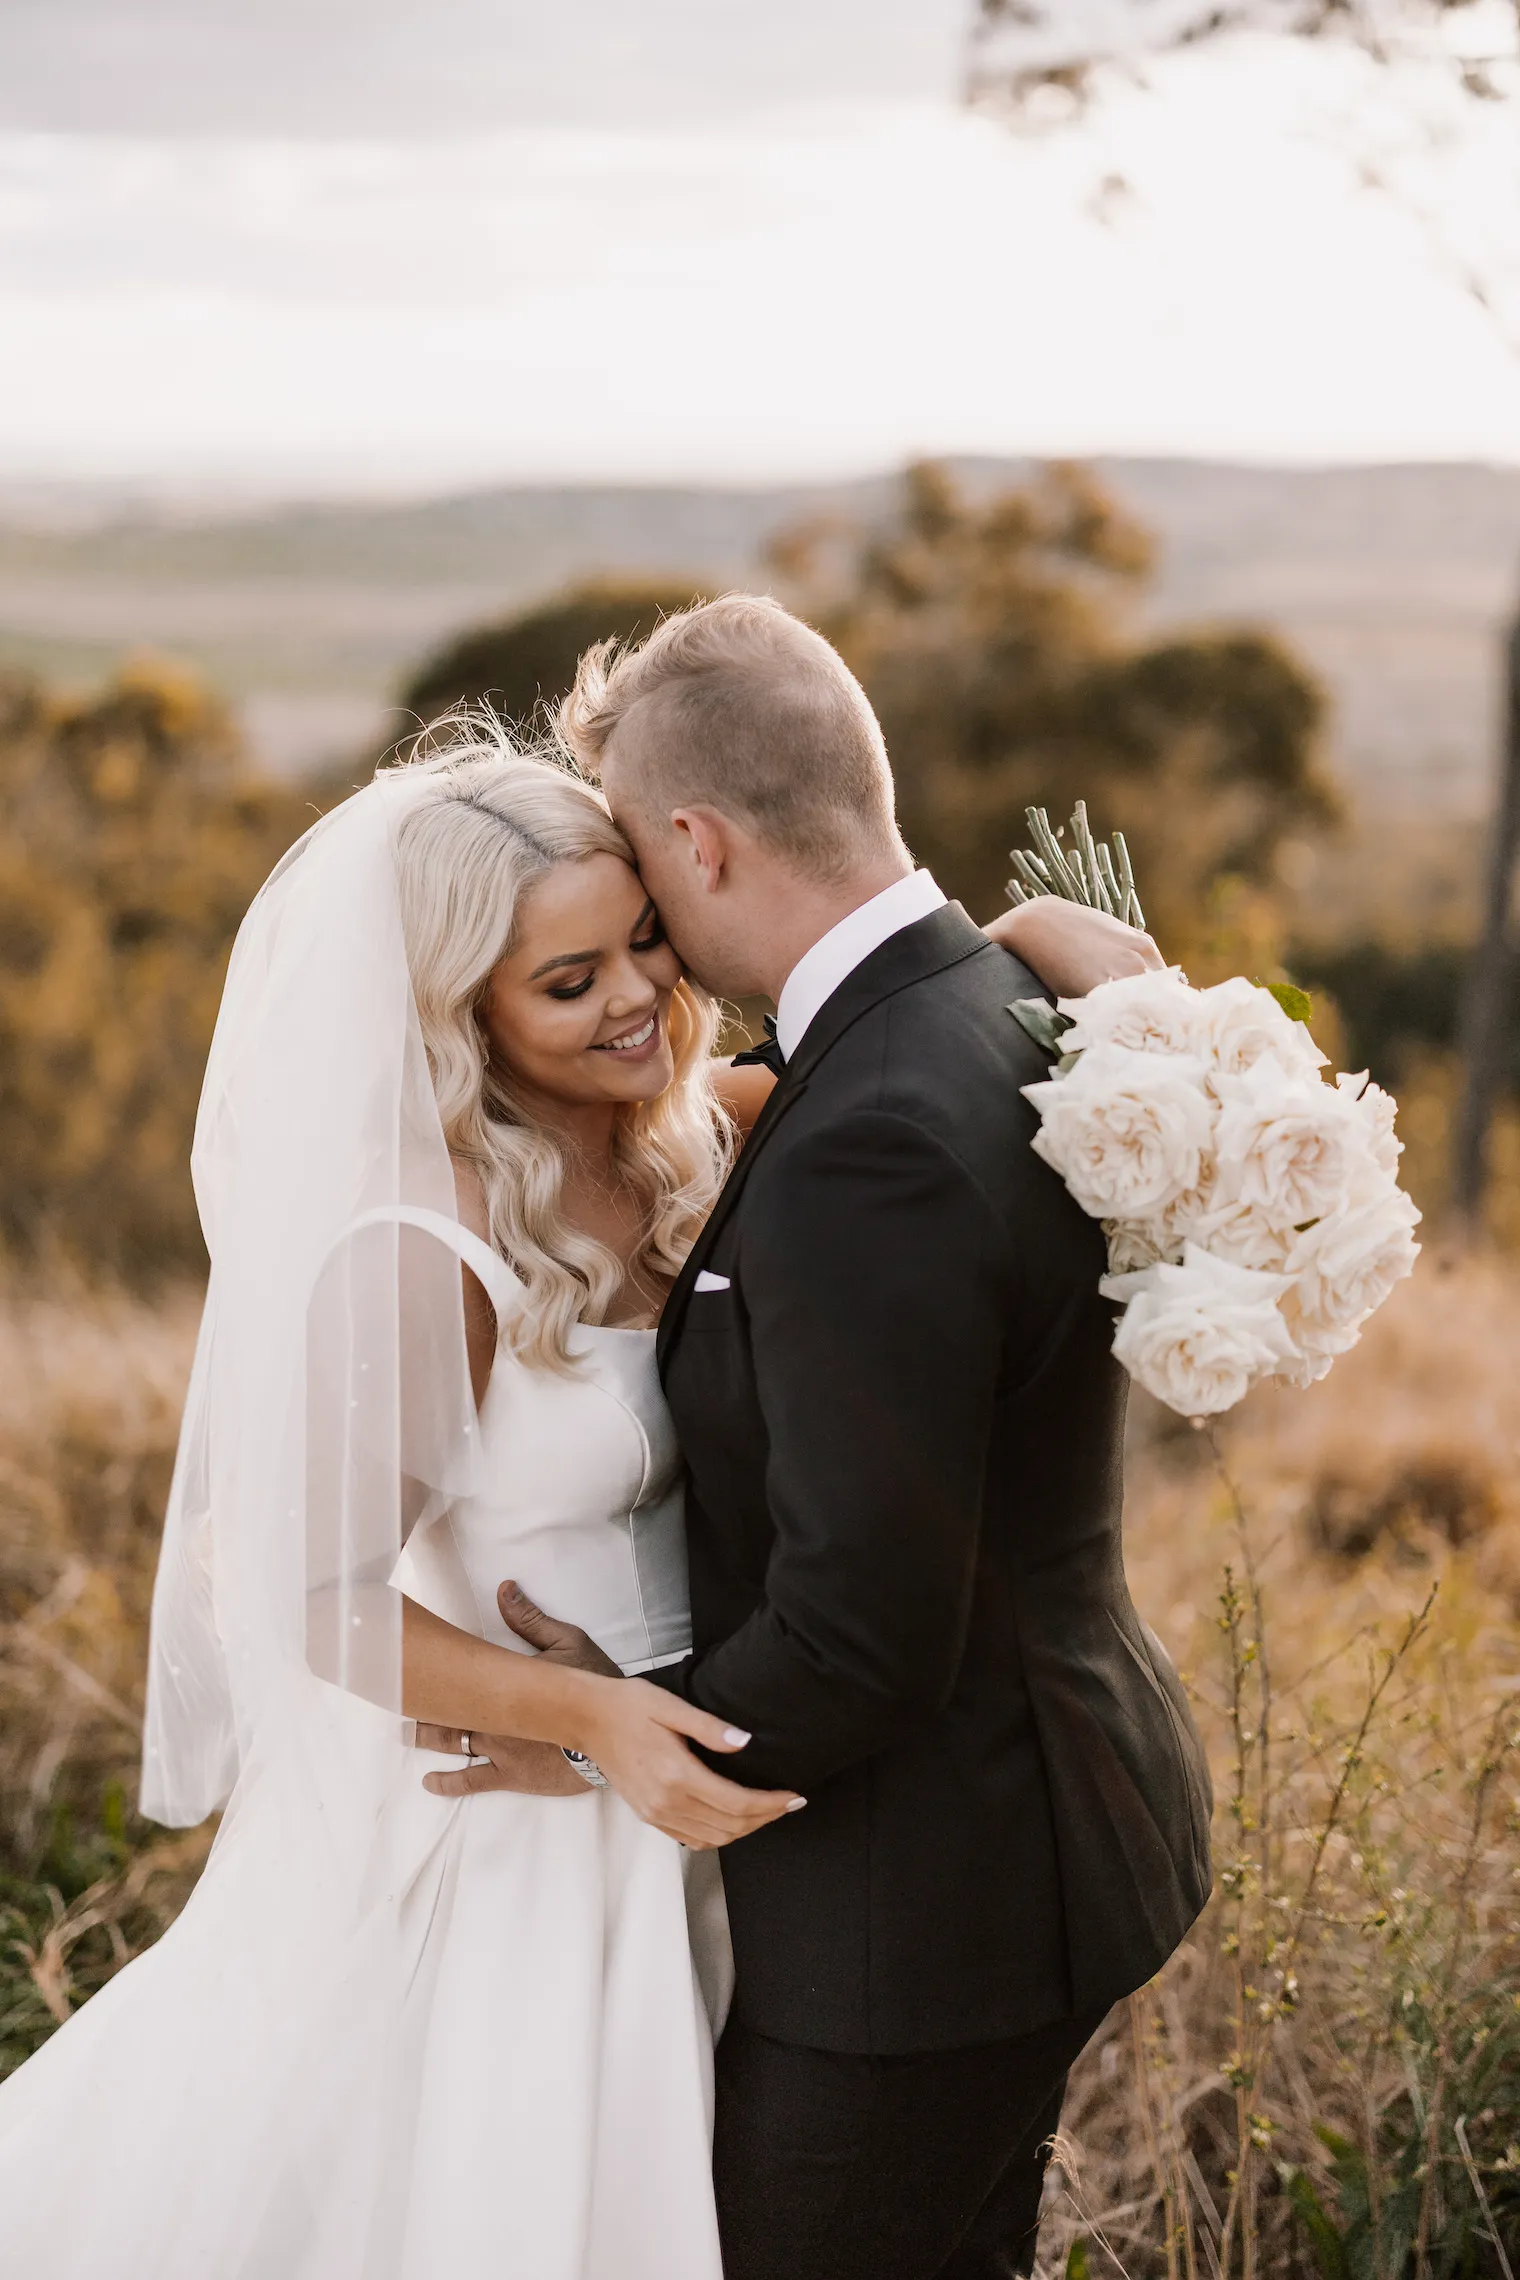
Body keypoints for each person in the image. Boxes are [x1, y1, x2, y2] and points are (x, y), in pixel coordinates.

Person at [0, 710, 1139, 2280]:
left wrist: (1036, 935)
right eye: (567, 982)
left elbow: (905, 1018)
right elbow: (300, 1591)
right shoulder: (424, 1248)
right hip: (521, 1848)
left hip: (708, 1789)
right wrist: (585, 1719)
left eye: (644, 948)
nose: (633, 1003)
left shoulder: (703, 1131)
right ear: (459, 1015)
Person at [447, 596, 1214, 2280]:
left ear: (700, 843)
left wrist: (595, 1738)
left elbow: (865, 1637)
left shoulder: (869, 1130)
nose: (645, 931)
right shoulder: (996, 1006)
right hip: (1042, 1835)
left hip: (926, 1917)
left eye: (647, 880)